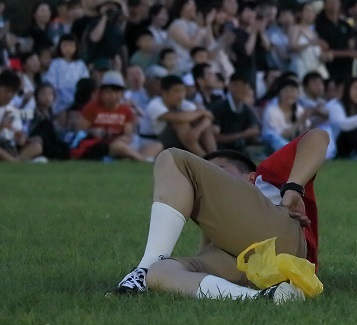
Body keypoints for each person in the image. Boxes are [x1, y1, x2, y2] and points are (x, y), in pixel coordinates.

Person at [112, 128, 327, 302]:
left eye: (219, 170)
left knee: (171, 158)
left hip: (283, 237)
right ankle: (262, 298)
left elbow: (318, 136)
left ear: (250, 176)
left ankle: (142, 270)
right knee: (160, 273)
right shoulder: (220, 222)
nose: (212, 178)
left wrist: (293, 187)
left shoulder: (266, 177)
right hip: (250, 263)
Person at [73, 71, 152, 162]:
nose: (113, 96)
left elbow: (128, 135)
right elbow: (79, 131)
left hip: (120, 143)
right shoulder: (91, 108)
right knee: (117, 147)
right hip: (97, 145)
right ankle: (143, 160)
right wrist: (92, 131)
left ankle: (129, 157)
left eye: (116, 92)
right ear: (101, 93)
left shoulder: (126, 111)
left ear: (122, 94)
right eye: (109, 92)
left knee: (157, 145)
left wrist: (122, 139)